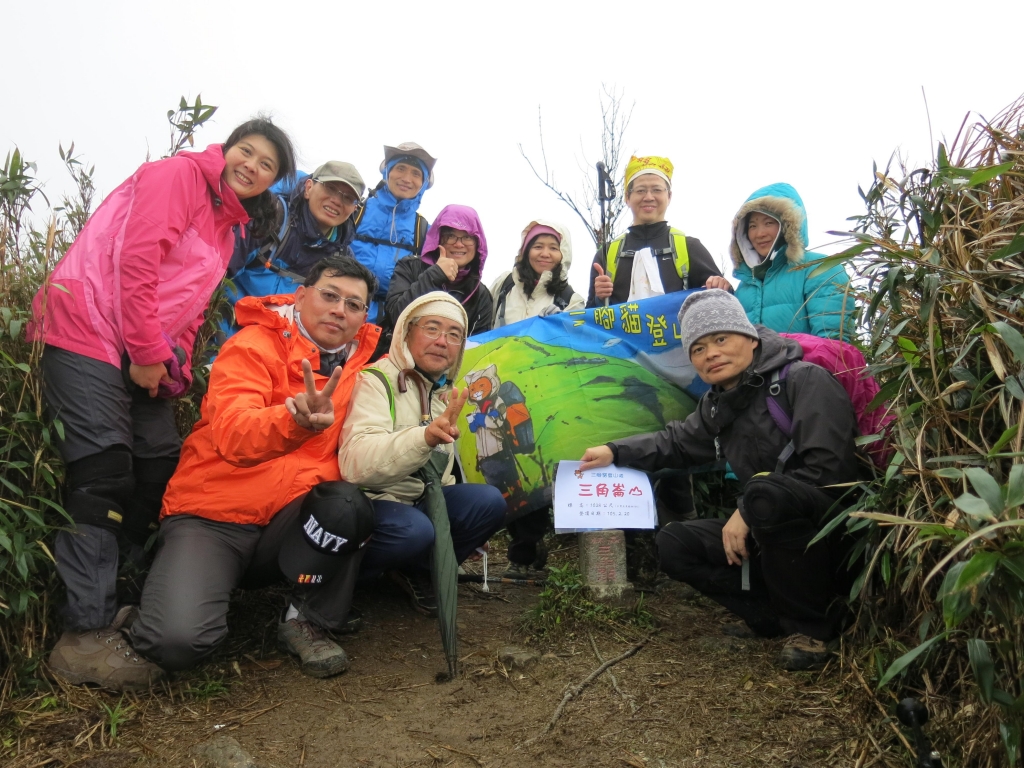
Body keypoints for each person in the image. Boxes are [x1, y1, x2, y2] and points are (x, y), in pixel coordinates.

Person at [33, 118, 296, 690]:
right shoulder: (179, 175)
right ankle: (82, 635)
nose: (251, 165)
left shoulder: (227, 229)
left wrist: (172, 365)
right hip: (86, 328)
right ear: (225, 151)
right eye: (245, 151)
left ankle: (122, 602)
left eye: (266, 164)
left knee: (157, 467)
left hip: (138, 349)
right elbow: (137, 260)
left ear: (274, 182)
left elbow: (193, 304)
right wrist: (150, 349)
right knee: (101, 476)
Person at [126, 256, 381, 683]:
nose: (340, 309)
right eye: (330, 295)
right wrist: (293, 422)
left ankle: (307, 617)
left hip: (289, 521)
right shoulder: (251, 345)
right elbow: (231, 434)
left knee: (347, 505)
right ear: (301, 297)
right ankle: (157, 598)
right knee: (175, 643)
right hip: (215, 515)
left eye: (354, 304)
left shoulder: (364, 371)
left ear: (364, 317)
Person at [580, 289, 861, 671]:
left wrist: (747, 508)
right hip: (767, 520)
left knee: (766, 495)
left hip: (827, 532)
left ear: (751, 338)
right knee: (675, 543)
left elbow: (829, 472)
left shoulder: (804, 380)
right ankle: (770, 614)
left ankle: (812, 627)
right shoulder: (718, 402)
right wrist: (615, 451)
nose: (710, 353)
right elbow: (677, 442)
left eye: (721, 338)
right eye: (697, 348)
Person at [339, 292, 506, 616]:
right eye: (432, 328)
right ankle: (354, 579)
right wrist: (423, 438)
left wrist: (459, 527)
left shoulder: (443, 395)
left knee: (487, 503)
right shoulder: (376, 381)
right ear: (407, 332)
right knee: (413, 530)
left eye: (454, 334)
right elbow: (354, 465)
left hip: (416, 507)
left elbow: (438, 478)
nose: (442, 341)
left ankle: (416, 571)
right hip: (373, 507)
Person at [223, 161, 366, 336]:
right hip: (223, 330)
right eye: (330, 188)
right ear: (308, 188)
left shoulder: (343, 258)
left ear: (354, 209)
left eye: (347, 198)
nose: (336, 200)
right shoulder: (271, 217)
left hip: (283, 350)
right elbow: (219, 275)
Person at [588, 155, 727, 307]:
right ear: (627, 197)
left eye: (657, 190)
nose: (648, 197)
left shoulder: (689, 248)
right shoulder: (607, 255)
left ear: (669, 196)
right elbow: (586, 320)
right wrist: (599, 298)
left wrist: (720, 285)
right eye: (640, 190)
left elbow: (723, 304)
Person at [730, 182, 852, 339]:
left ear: (787, 226)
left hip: (807, 364)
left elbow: (832, 344)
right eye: (752, 226)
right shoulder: (745, 285)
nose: (759, 233)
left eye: (768, 223)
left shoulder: (820, 269)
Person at [350, 142, 436, 325]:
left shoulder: (423, 230)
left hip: (388, 327)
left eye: (416, 173)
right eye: (401, 168)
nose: (407, 178)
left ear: (424, 183)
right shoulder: (356, 211)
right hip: (342, 312)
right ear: (387, 172)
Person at [383, 205, 492, 349]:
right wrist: (435, 275)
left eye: (467, 237)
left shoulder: (481, 295)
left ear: (478, 243)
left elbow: (476, 347)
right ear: (438, 239)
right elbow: (395, 316)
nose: (459, 244)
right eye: (450, 236)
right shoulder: (409, 266)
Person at [490, 219, 585, 327]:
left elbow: (575, 339)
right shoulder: (504, 283)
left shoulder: (572, 301)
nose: (545, 254)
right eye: (538, 247)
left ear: (563, 254)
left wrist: (560, 325)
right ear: (526, 251)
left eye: (553, 248)